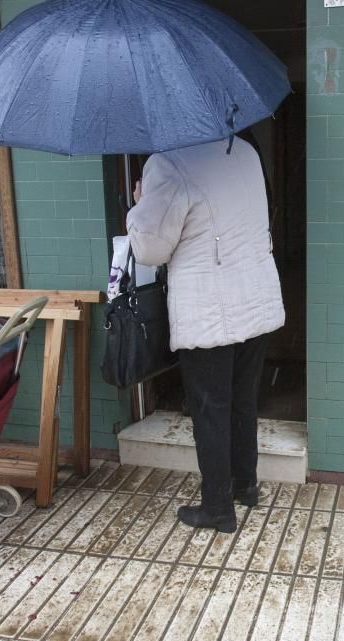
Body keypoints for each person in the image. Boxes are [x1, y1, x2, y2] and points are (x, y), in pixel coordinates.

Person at [126, 136, 284, 533]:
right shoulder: (246, 151)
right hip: (256, 296)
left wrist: (139, 205)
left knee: (210, 409)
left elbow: (149, 249)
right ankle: (244, 485)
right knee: (242, 400)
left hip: (210, 311)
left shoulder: (168, 163)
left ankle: (217, 507)